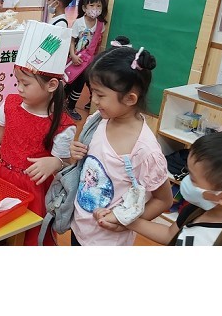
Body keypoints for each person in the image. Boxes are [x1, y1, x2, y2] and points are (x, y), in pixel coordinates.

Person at [0, 20, 75, 245]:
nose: (19, 88)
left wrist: (55, 162)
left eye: (26, 84)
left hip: (32, 189)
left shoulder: (62, 124)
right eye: (17, 81)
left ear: (52, 85)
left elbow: (65, 163)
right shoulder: (11, 103)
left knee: (21, 236)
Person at [68, 46, 173, 246]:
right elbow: (85, 166)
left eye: (100, 95)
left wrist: (125, 222)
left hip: (108, 241)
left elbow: (163, 200)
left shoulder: (145, 150)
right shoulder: (98, 120)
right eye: (93, 92)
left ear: (130, 98)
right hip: (79, 228)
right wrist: (75, 153)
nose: (93, 100)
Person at [107, 130, 222, 246]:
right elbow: (170, 234)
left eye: (192, 178)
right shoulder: (197, 209)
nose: (184, 180)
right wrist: (125, 220)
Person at [64, 0, 109, 120]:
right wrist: (73, 55)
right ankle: (60, 102)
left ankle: (71, 106)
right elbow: (72, 41)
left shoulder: (100, 25)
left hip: (88, 61)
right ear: (84, 8)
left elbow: (98, 43)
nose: (95, 9)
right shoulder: (79, 22)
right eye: (92, 5)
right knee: (70, 81)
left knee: (80, 84)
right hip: (76, 58)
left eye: (98, 6)